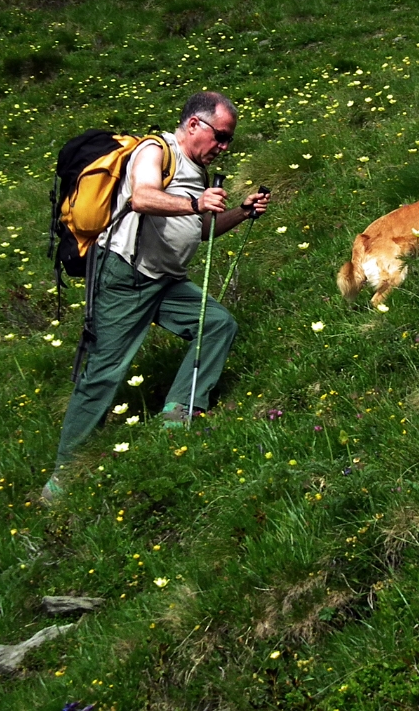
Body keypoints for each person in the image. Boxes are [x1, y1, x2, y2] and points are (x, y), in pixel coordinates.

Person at [41, 92, 270, 504]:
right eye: (221, 137)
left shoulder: (195, 171)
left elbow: (201, 230)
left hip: (165, 280)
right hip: (126, 277)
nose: (223, 147)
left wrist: (241, 211)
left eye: (229, 141)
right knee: (105, 372)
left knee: (217, 324)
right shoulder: (155, 150)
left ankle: (178, 412)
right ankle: (63, 477)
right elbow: (141, 197)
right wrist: (195, 202)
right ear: (195, 124)